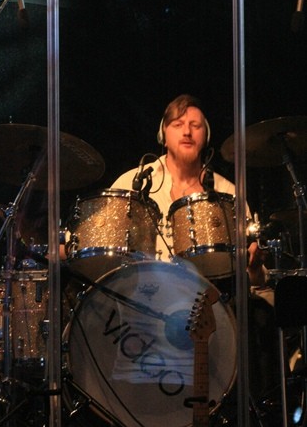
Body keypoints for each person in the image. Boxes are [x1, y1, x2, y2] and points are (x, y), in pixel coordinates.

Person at [111, 93, 266, 286]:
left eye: (195, 125)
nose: (187, 132)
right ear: (163, 136)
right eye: (178, 125)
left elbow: (256, 281)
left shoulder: (229, 194)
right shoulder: (131, 183)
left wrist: (254, 267)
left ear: (206, 136)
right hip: (142, 296)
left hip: (207, 301)